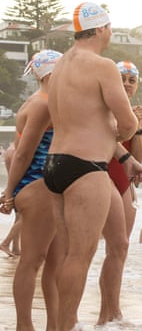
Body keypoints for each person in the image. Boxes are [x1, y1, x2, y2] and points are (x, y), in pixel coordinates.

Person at [44, 3, 141, 331]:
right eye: (110, 27)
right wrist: (120, 132)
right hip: (86, 168)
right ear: (101, 29)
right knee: (79, 256)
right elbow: (127, 123)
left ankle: (74, 322)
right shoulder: (102, 66)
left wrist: (123, 157)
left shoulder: (60, 65)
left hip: (55, 165)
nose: (110, 33)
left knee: (73, 253)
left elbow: (78, 118)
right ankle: (66, 326)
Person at [1, 50, 66, 331]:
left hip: (45, 186)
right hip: (39, 186)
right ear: (51, 73)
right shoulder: (43, 104)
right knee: (32, 260)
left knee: (54, 263)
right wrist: (9, 192)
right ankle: (24, 326)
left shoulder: (42, 102)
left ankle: (54, 325)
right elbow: (23, 153)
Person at [97, 59, 142, 326]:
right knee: (90, 249)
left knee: (120, 248)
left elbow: (138, 156)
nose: (127, 84)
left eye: (132, 80)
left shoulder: (132, 113)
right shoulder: (102, 106)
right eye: (122, 78)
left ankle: (112, 311)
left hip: (123, 181)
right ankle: (104, 314)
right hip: (100, 175)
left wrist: (138, 127)